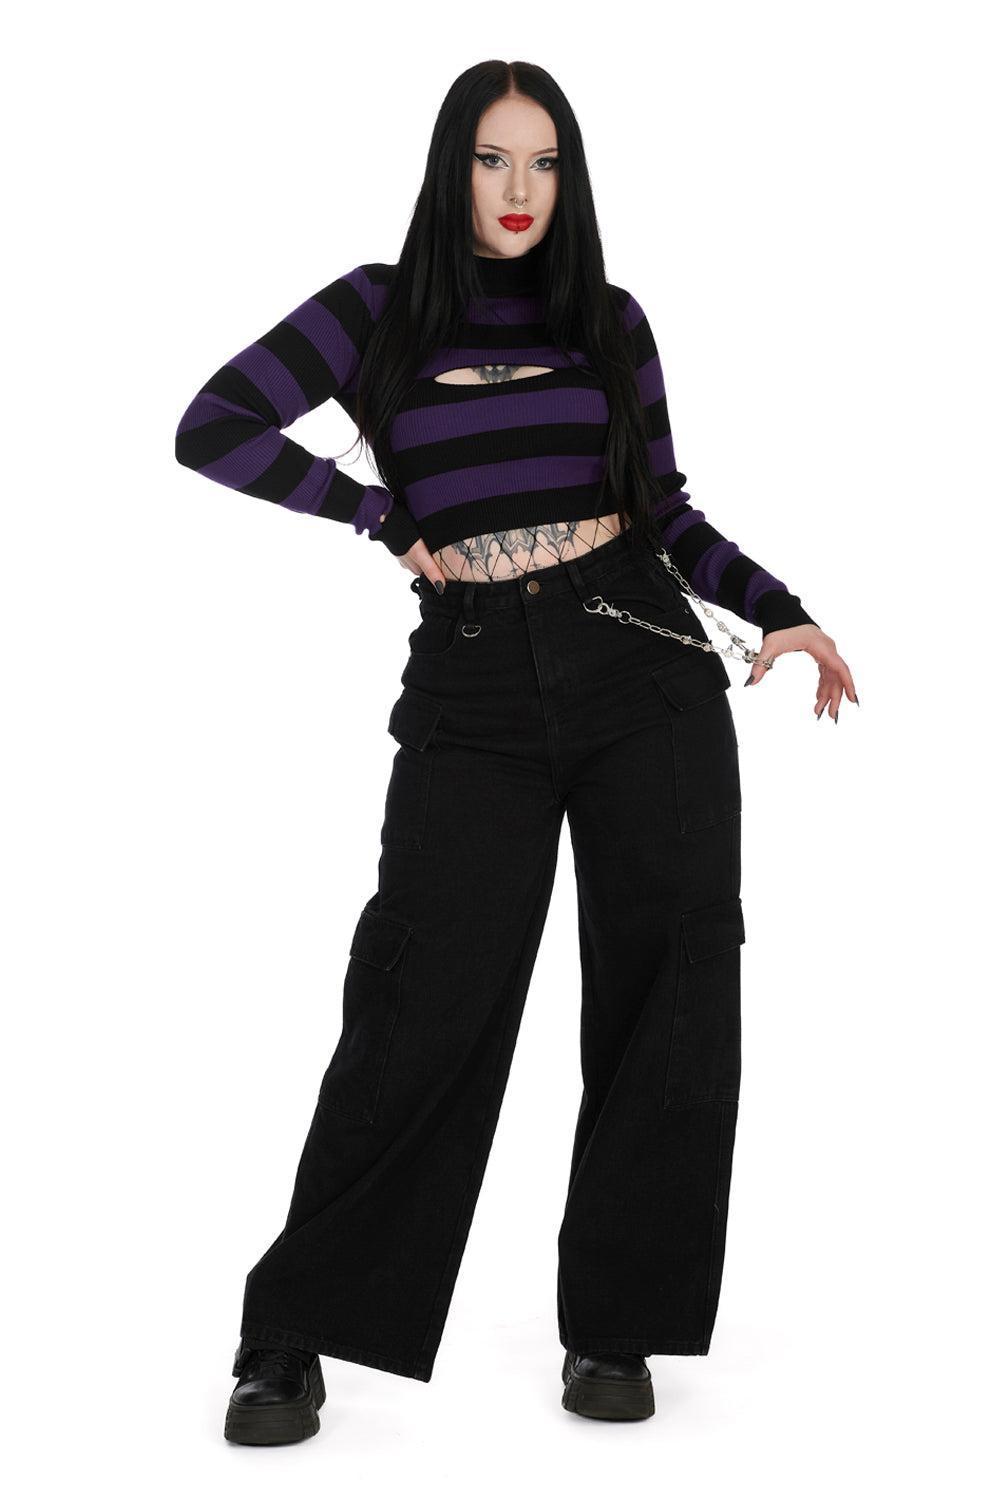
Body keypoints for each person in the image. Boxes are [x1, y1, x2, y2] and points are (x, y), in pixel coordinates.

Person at [175, 59, 857, 1444]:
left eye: (544, 163)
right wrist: (373, 513)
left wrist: (782, 610)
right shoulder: (376, 309)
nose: (519, 190)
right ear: (453, 167)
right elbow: (214, 427)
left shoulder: (606, 319)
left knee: (671, 984)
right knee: (417, 994)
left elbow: (664, 509)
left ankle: (615, 1326)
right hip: (474, 685)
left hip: (642, 666)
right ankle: (293, 1330)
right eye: (493, 159)